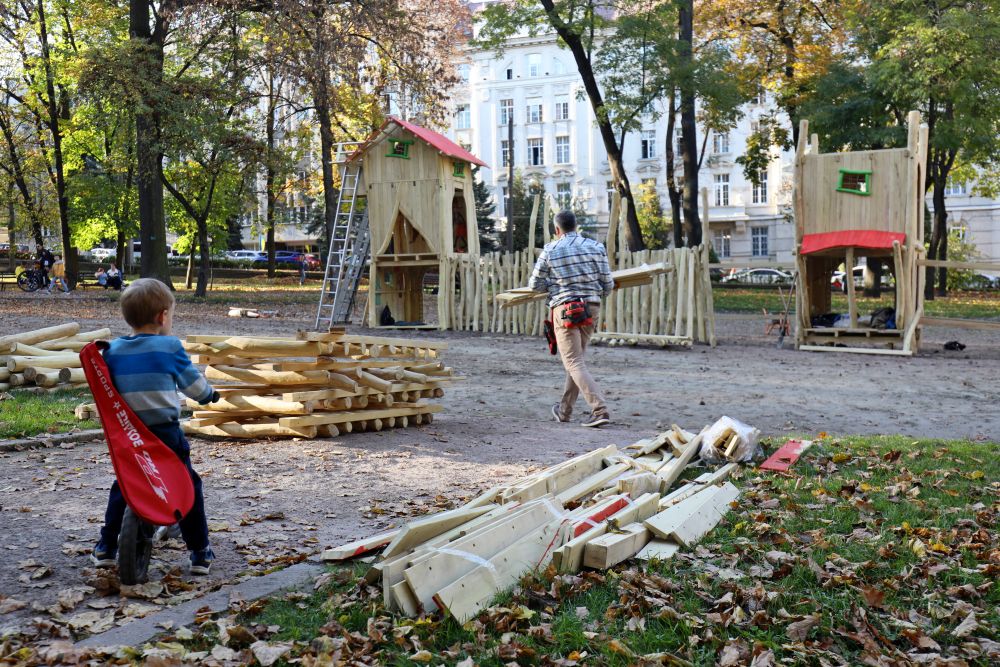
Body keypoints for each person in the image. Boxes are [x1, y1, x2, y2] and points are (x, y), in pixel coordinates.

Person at [91, 278, 220, 575]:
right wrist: (209, 395)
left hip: (128, 436)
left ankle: (106, 547)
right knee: (187, 485)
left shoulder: (112, 350)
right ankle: (199, 551)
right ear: (163, 317)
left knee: (125, 485)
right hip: (164, 435)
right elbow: (194, 386)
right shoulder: (169, 347)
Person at [528, 210, 614, 427]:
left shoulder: (551, 249)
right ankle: (564, 411)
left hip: (565, 310)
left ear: (557, 229)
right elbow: (608, 284)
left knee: (574, 362)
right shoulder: (596, 247)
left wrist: (554, 285)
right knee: (576, 361)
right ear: (576, 226)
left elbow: (534, 285)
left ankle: (599, 410)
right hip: (591, 308)